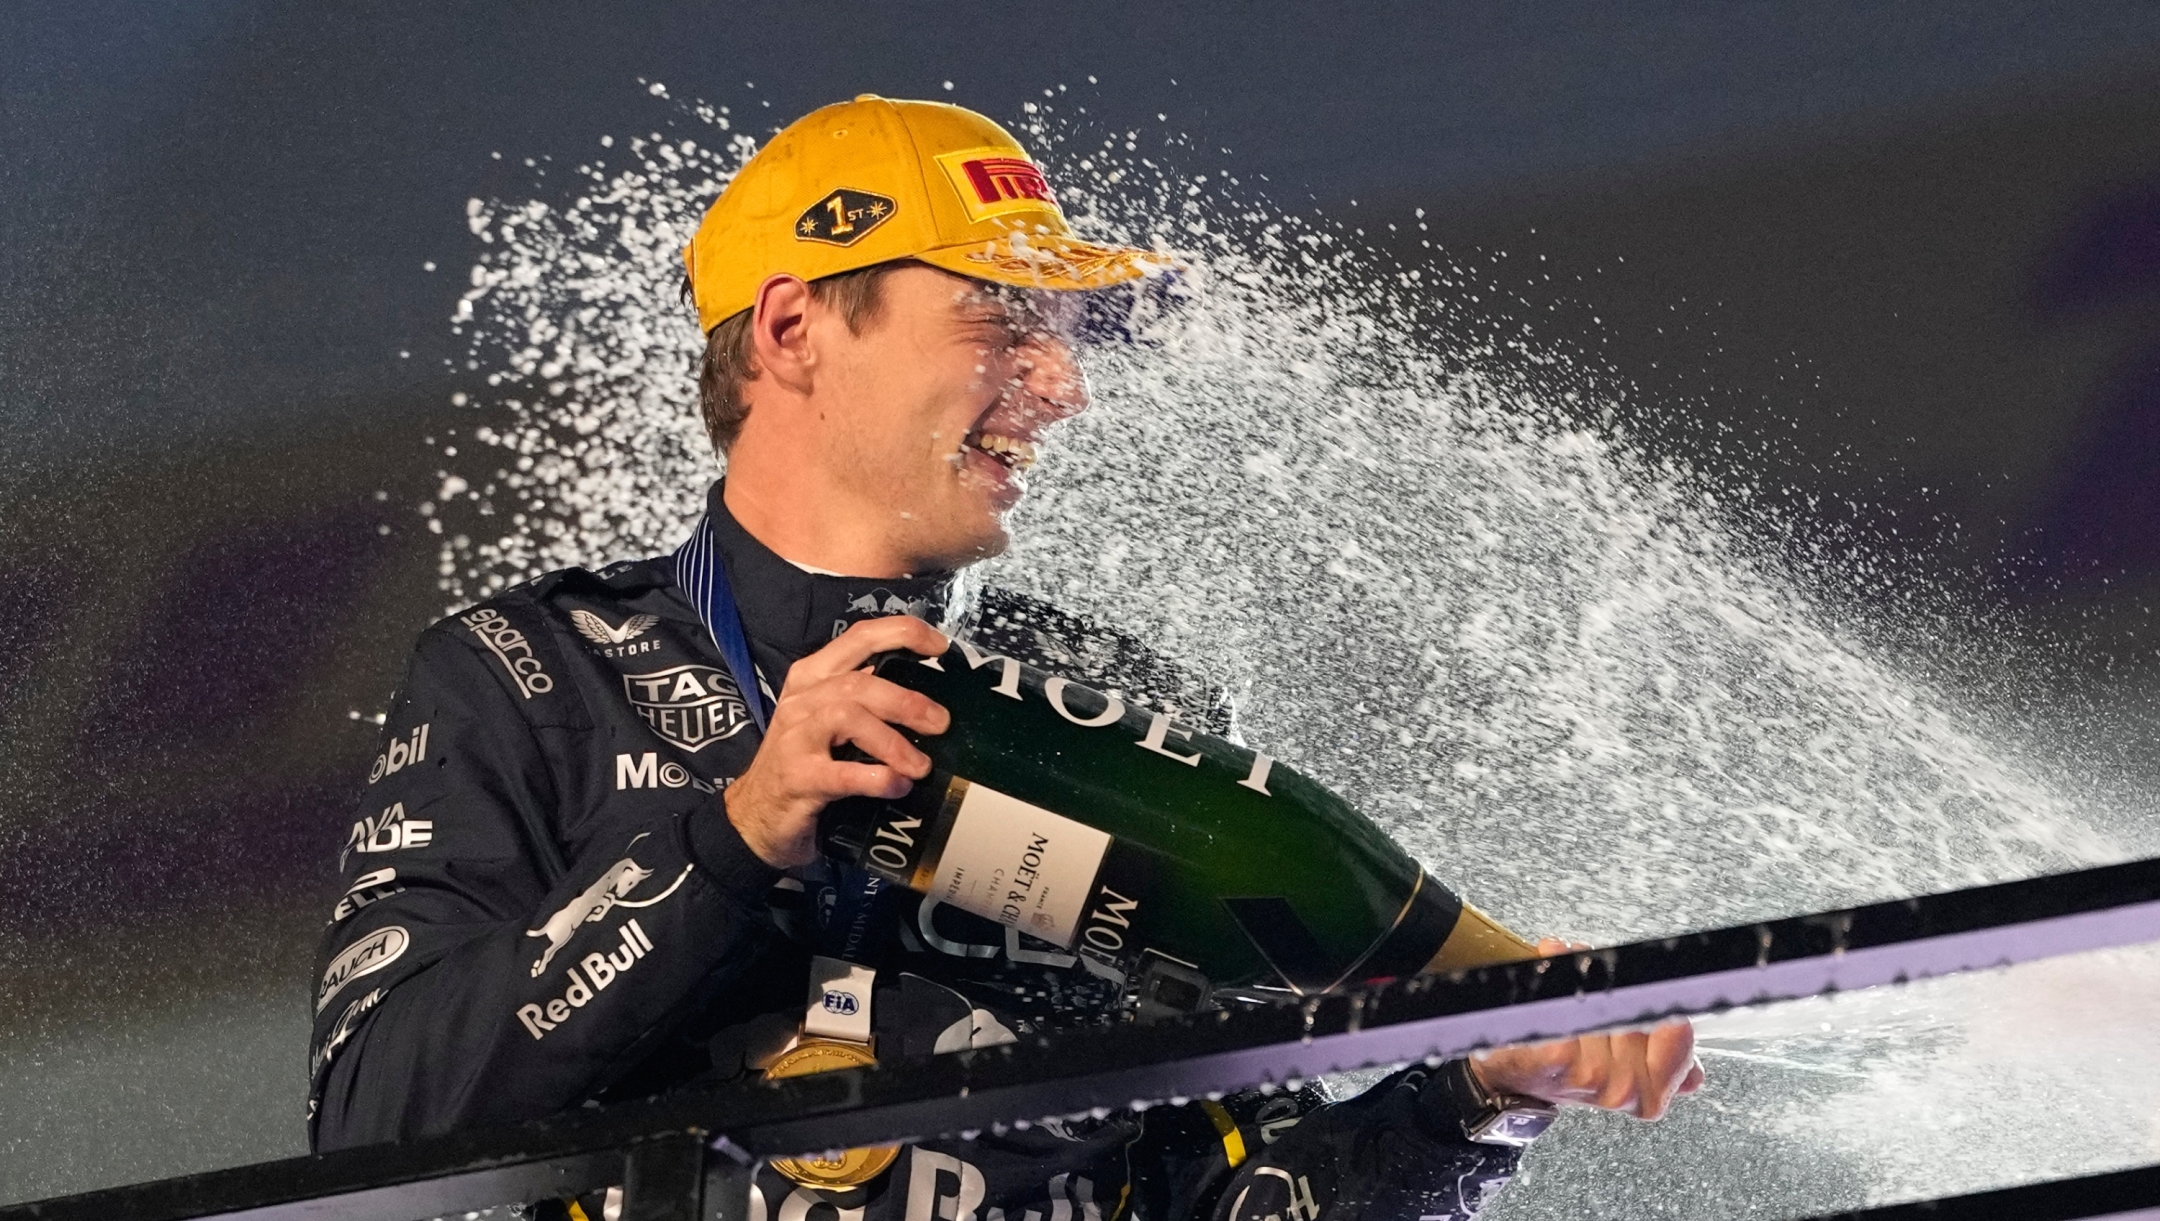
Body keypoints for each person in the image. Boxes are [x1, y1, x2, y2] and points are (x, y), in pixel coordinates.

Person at [310, 95, 1702, 1221]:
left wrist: (1475, 1094)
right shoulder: (526, 673)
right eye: (1001, 318)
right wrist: (734, 839)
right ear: (795, 328)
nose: (1062, 382)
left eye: (1068, 333)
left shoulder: (1120, 713)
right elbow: (374, 1129)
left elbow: (1246, 1200)